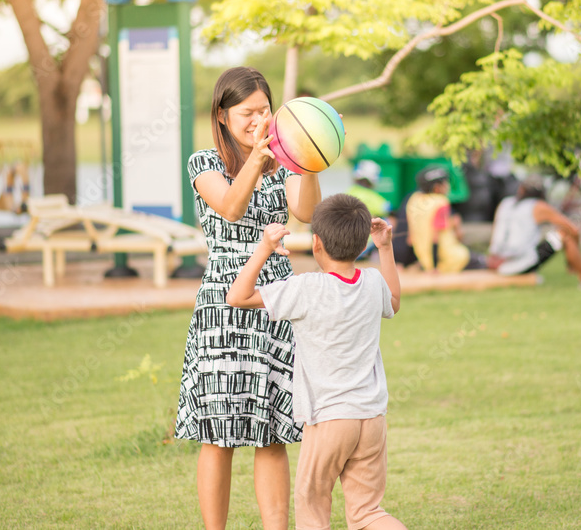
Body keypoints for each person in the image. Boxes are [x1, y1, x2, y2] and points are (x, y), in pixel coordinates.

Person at [174, 66, 322, 530]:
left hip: (276, 296)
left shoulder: (283, 159)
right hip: (225, 300)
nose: (258, 119)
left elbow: (307, 212)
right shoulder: (204, 163)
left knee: (271, 431)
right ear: (222, 115)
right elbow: (232, 207)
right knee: (218, 433)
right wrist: (259, 157)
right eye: (247, 112)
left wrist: (308, 159)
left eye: (265, 110)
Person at [225, 194, 407, 530]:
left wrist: (264, 248)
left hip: (328, 421)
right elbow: (393, 303)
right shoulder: (371, 282)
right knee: (368, 513)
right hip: (371, 417)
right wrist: (385, 247)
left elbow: (237, 296)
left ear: (316, 243)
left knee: (312, 511)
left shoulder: (305, 289)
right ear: (362, 243)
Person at [487, 175, 581, 290]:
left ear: (521, 189)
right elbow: (573, 229)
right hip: (518, 265)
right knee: (564, 234)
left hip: (494, 262)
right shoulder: (538, 206)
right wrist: (571, 258)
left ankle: (580, 273)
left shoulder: (505, 203)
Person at [406, 164, 486, 273]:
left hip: (425, 261)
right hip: (449, 259)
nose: (448, 186)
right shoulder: (441, 202)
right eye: (445, 183)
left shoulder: (413, 200)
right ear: (437, 187)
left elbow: (411, 238)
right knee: (483, 261)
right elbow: (435, 237)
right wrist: (434, 268)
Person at [348, 159, 392, 260]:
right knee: (387, 220)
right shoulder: (373, 197)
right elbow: (390, 209)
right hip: (363, 247)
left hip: (346, 244)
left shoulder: (349, 191)